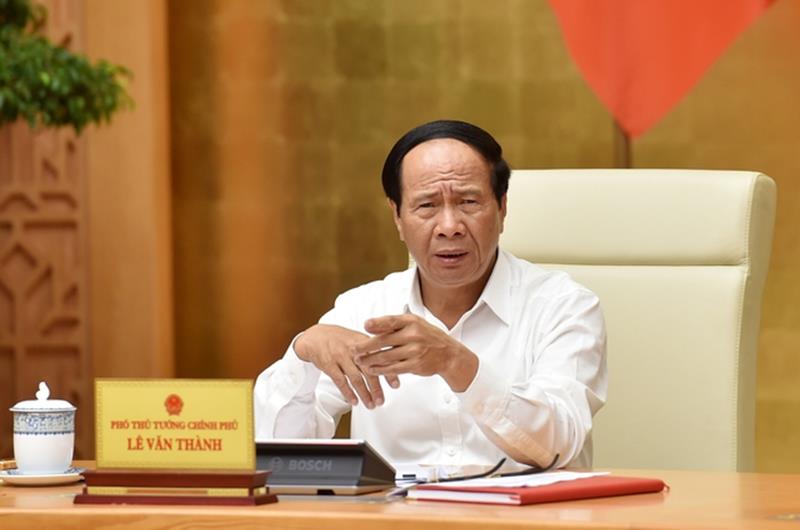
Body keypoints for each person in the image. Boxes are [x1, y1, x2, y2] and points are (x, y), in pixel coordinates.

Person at [254, 120, 607, 469]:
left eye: (468, 201)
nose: (449, 227)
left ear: (502, 207)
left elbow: (559, 444)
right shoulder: (361, 310)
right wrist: (303, 353)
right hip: (395, 507)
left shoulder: (564, 306)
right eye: (426, 206)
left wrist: (454, 362)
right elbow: (279, 455)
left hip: (522, 507)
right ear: (397, 216)